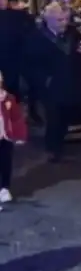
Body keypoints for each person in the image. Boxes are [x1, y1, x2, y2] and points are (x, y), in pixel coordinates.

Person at [24, 2, 81, 162]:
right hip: (50, 84)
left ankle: (58, 140)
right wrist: (44, 81)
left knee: (66, 114)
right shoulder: (37, 37)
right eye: (60, 20)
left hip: (70, 80)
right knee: (53, 115)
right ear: (49, 20)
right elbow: (30, 63)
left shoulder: (71, 32)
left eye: (66, 19)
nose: (64, 23)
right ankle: (53, 148)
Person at [0, 70, 27, 207]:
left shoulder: (8, 98)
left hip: (6, 136)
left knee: (5, 162)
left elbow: (16, 118)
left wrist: (20, 135)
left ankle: (4, 188)